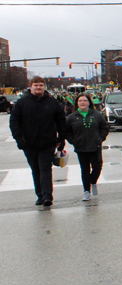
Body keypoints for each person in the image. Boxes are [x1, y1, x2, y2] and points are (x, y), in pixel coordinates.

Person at [9, 76, 66, 209]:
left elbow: (61, 121)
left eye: (41, 85)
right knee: (36, 169)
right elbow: (14, 122)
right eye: (36, 85)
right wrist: (19, 139)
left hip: (48, 142)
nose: (38, 87)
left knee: (45, 168)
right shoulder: (22, 103)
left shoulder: (52, 103)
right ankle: (40, 195)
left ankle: (47, 196)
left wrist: (61, 138)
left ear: (44, 87)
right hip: (29, 144)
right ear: (30, 87)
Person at [66, 94, 110, 201]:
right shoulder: (72, 117)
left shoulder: (97, 115)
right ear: (77, 103)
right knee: (85, 169)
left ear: (89, 102)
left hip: (95, 146)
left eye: (84, 100)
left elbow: (105, 127)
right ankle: (86, 191)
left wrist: (100, 138)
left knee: (97, 167)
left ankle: (93, 182)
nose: (82, 102)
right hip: (81, 147)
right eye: (80, 101)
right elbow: (67, 132)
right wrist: (74, 142)